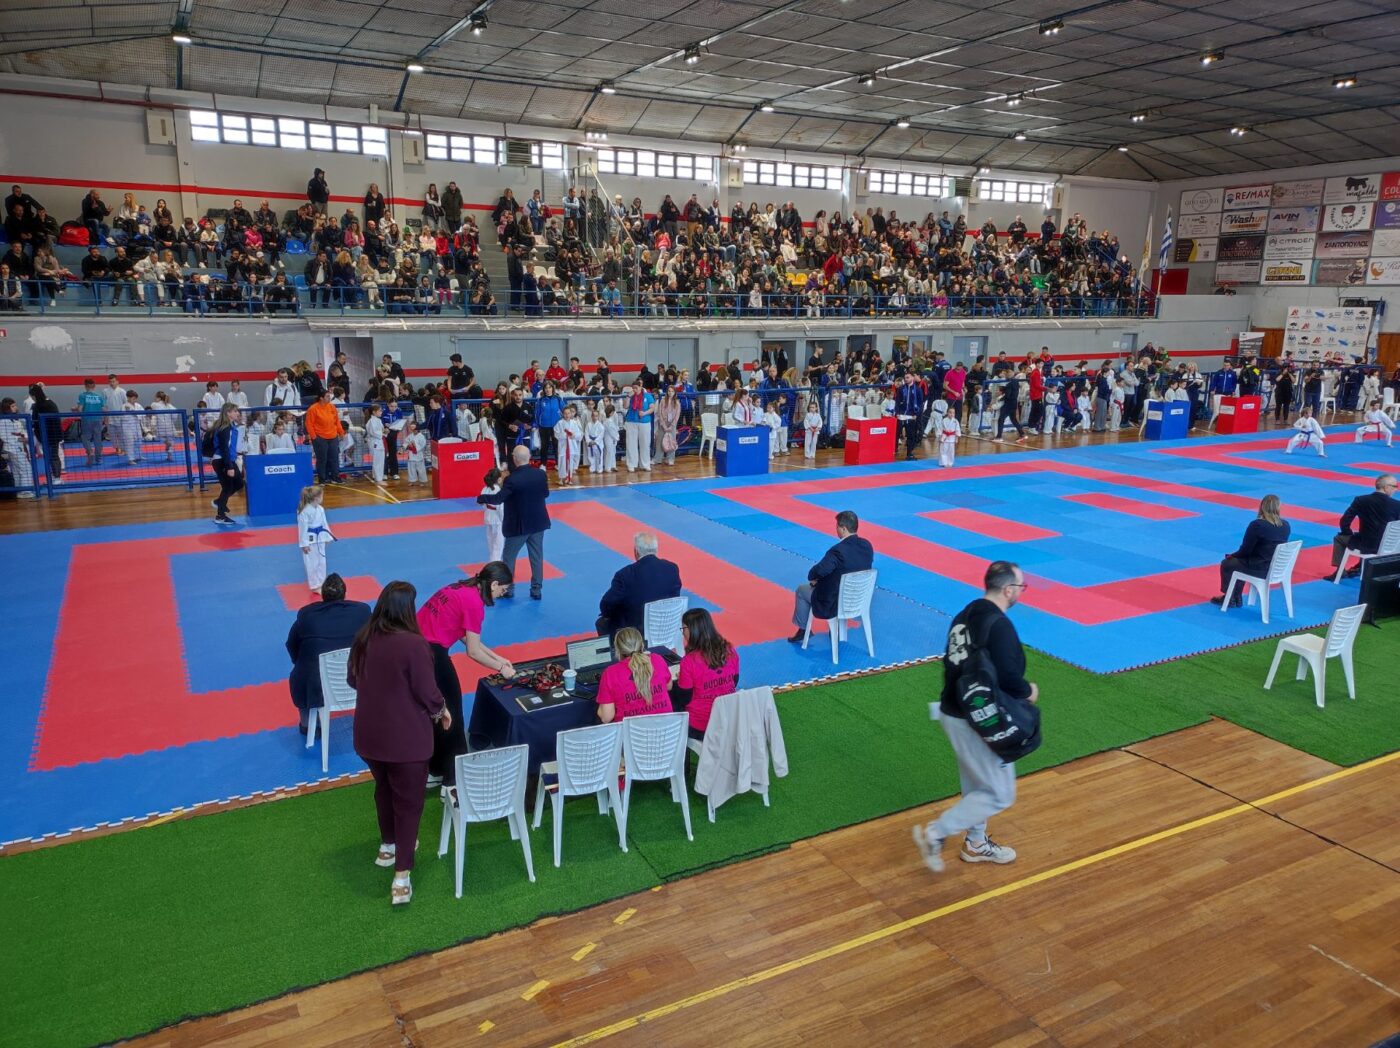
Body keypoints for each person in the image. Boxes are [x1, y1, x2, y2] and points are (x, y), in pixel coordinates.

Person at [914, 561, 1036, 873]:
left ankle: (976, 843)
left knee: (976, 785)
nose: (1021, 593)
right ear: (1008, 590)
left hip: (953, 710)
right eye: (1021, 587)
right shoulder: (999, 625)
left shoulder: (964, 615)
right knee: (999, 794)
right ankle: (936, 833)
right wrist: (1028, 691)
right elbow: (1010, 678)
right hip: (979, 719)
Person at [348, 581, 448, 905]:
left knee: (384, 789)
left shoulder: (364, 638)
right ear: (408, 610)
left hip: (368, 736)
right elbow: (427, 691)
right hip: (405, 741)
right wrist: (441, 710)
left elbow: (352, 679)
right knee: (409, 803)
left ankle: (388, 847)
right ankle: (401, 876)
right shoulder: (414, 645)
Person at [417, 565, 515, 786]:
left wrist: (499, 658)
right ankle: (452, 779)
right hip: (431, 654)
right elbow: (473, 651)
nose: (501, 595)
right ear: (494, 584)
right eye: (502, 590)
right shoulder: (474, 603)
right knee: (451, 712)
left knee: (436, 710)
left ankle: (436, 769)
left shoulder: (461, 588)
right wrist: (501, 669)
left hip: (417, 647)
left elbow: (465, 636)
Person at [285, 573, 371, 733]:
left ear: (322, 595)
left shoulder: (307, 616)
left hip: (316, 685)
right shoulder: (362, 612)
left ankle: (307, 725)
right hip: (357, 680)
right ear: (344, 594)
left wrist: (301, 663)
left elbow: (291, 645)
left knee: (301, 674)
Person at [789, 510, 875, 642]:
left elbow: (818, 571)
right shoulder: (867, 546)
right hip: (858, 599)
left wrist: (816, 580)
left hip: (835, 602)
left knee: (801, 590)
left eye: (837, 527)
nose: (836, 530)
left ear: (843, 529)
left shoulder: (838, 551)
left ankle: (803, 630)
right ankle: (835, 628)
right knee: (837, 579)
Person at [477, 445, 550, 599]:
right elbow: (545, 494)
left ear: (515, 459)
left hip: (519, 526)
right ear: (529, 457)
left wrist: (482, 498)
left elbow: (498, 499)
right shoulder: (540, 474)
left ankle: (507, 589)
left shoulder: (512, 479)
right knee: (537, 557)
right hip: (538, 522)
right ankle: (537, 590)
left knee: (509, 557)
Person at [597, 531, 683, 638]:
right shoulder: (672, 569)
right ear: (656, 550)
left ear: (636, 551)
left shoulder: (625, 575)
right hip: (665, 626)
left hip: (635, 632)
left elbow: (606, 605)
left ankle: (621, 648)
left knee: (602, 623)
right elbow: (675, 597)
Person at [1211, 495, 1291, 608]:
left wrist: (1232, 555)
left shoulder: (1257, 525)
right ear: (1278, 507)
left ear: (1262, 507)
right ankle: (1236, 597)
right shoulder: (1286, 525)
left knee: (1227, 564)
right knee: (1239, 562)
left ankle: (1229, 597)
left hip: (1259, 567)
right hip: (1277, 568)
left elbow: (1245, 551)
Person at [675, 608, 739, 741]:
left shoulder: (689, 661)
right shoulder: (729, 649)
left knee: (671, 700)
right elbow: (735, 681)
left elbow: (684, 699)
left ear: (692, 630)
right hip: (729, 718)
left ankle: (678, 752)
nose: (683, 633)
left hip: (700, 726)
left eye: (683, 628)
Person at [596, 627, 674, 724]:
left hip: (631, 733)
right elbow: (669, 686)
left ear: (617, 650)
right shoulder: (657, 659)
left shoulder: (610, 673)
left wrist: (600, 708)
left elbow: (606, 718)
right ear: (642, 645)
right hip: (665, 730)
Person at [1330, 473, 1400, 579]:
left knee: (1340, 538)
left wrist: (1347, 532)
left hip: (1366, 544)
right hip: (1389, 546)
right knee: (1364, 537)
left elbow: (1345, 521)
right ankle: (1360, 566)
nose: (1396, 489)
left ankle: (1340, 570)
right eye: (1395, 486)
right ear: (1386, 487)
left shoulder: (1361, 500)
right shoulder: (1397, 505)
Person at [297, 485, 335, 593]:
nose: (323, 498)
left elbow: (324, 524)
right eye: (322, 496)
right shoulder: (304, 511)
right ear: (316, 498)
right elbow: (302, 529)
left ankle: (321, 583)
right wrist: (304, 544)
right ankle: (314, 585)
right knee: (312, 564)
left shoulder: (320, 509)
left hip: (320, 538)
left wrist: (328, 536)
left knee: (322, 562)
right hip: (310, 540)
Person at [209, 403, 243, 525]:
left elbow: (228, 446)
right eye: (235, 411)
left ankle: (220, 503)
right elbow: (224, 448)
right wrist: (229, 466)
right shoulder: (225, 428)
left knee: (238, 484)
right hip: (223, 461)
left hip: (227, 460)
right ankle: (220, 515)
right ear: (228, 413)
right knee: (228, 487)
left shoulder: (229, 426)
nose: (237, 413)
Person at [304, 388, 344, 485]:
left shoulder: (332, 407)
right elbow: (309, 424)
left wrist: (341, 432)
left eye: (329, 396)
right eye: (327, 396)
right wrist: (314, 437)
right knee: (322, 459)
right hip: (320, 438)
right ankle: (322, 479)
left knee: (334, 458)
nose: (329, 397)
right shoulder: (313, 409)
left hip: (333, 436)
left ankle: (335, 477)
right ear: (321, 398)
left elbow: (337, 421)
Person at [624, 383, 655, 472]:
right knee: (631, 444)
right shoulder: (630, 396)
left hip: (644, 422)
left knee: (645, 443)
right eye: (633, 388)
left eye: (636, 388)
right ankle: (631, 464)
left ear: (641, 387)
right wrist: (628, 397)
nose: (635, 389)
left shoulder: (648, 396)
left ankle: (645, 464)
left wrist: (644, 413)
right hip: (631, 421)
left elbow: (652, 408)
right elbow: (625, 406)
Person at [479, 467, 505, 561]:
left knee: (491, 543)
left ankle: (493, 561)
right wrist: (504, 519)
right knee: (498, 545)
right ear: (499, 479)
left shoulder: (485, 489)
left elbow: (481, 503)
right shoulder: (499, 491)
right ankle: (495, 563)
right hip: (498, 520)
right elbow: (501, 508)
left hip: (488, 517)